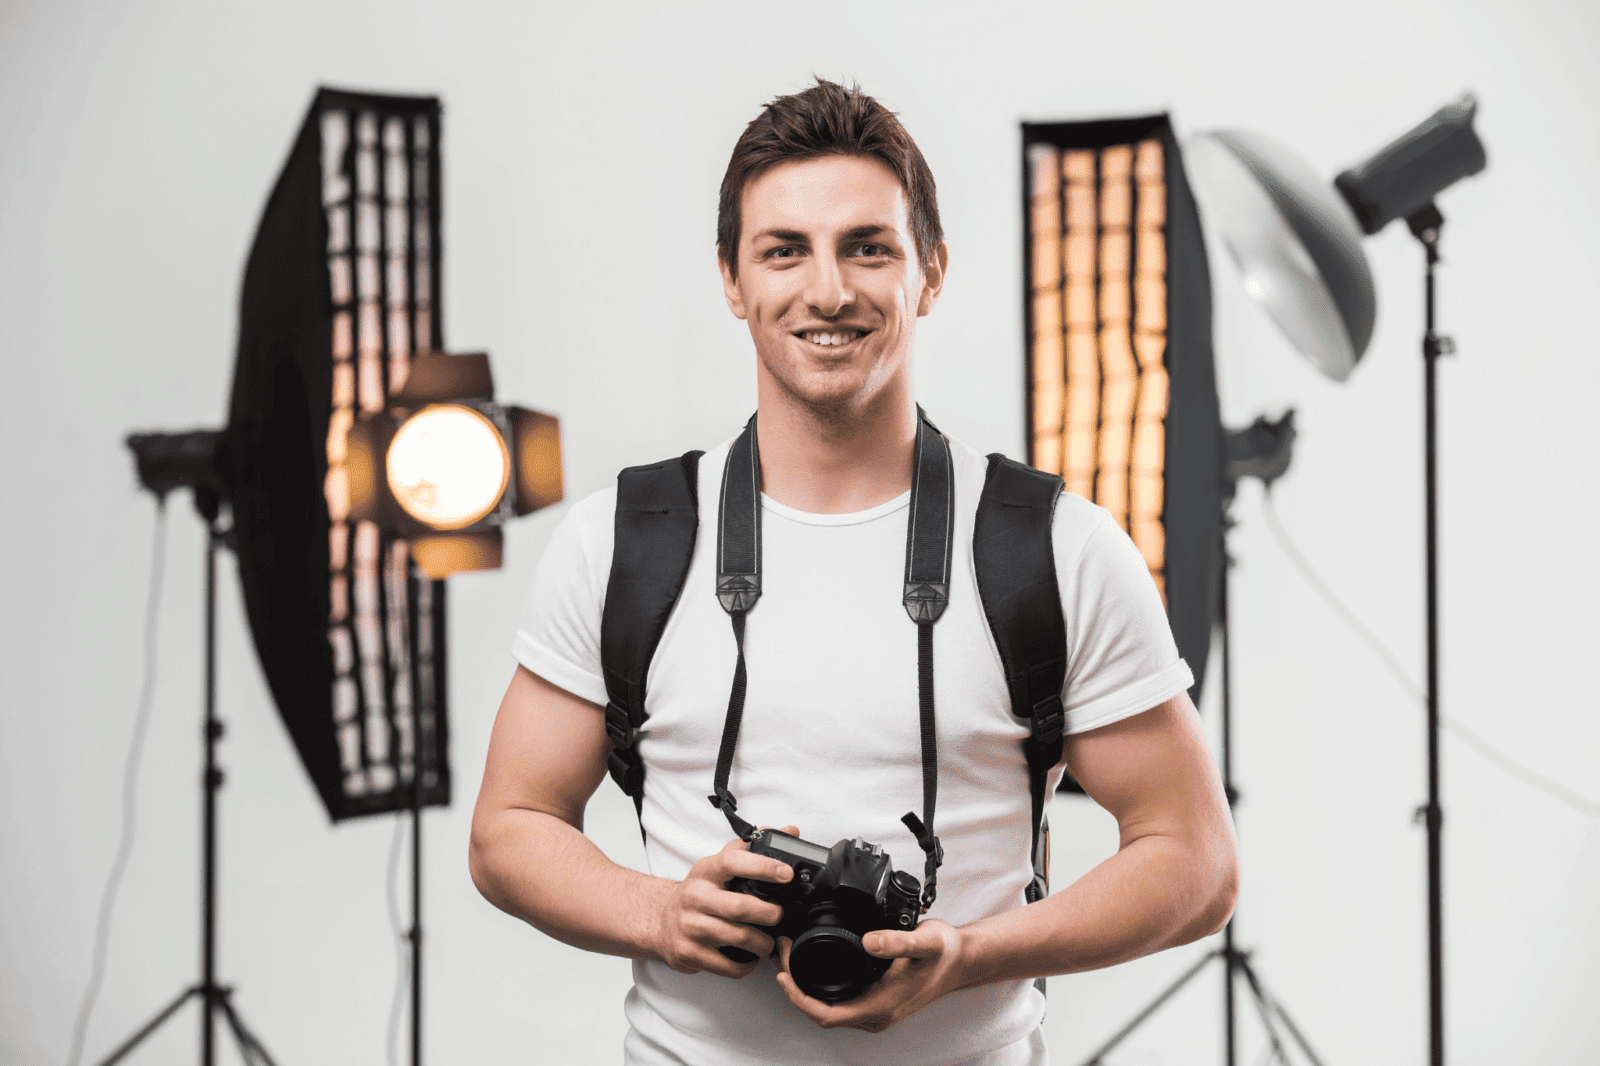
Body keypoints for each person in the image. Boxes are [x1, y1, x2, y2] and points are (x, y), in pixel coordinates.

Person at [469, 79, 1237, 1066]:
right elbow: (509, 827)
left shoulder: (1054, 548)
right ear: (731, 279)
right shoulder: (623, 540)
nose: (826, 290)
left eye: (867, 247)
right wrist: (660, 912)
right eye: (783, 250)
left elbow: (1196, 861)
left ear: (930, 272)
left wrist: (966, 954)